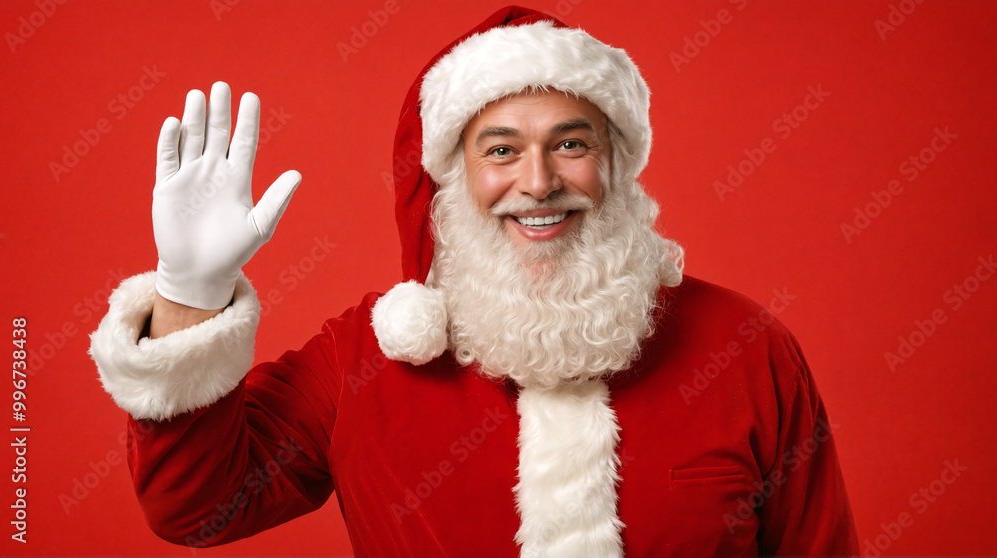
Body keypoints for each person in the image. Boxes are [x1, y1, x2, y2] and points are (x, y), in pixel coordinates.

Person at [89, 6, 859, 557]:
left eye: (570, 143)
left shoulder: (744, 348)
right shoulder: (366, 358)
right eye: (499, 150)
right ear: (452, 177)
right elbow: (198, 509)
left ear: (615, 164)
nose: (538, 181)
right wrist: (188, 293)